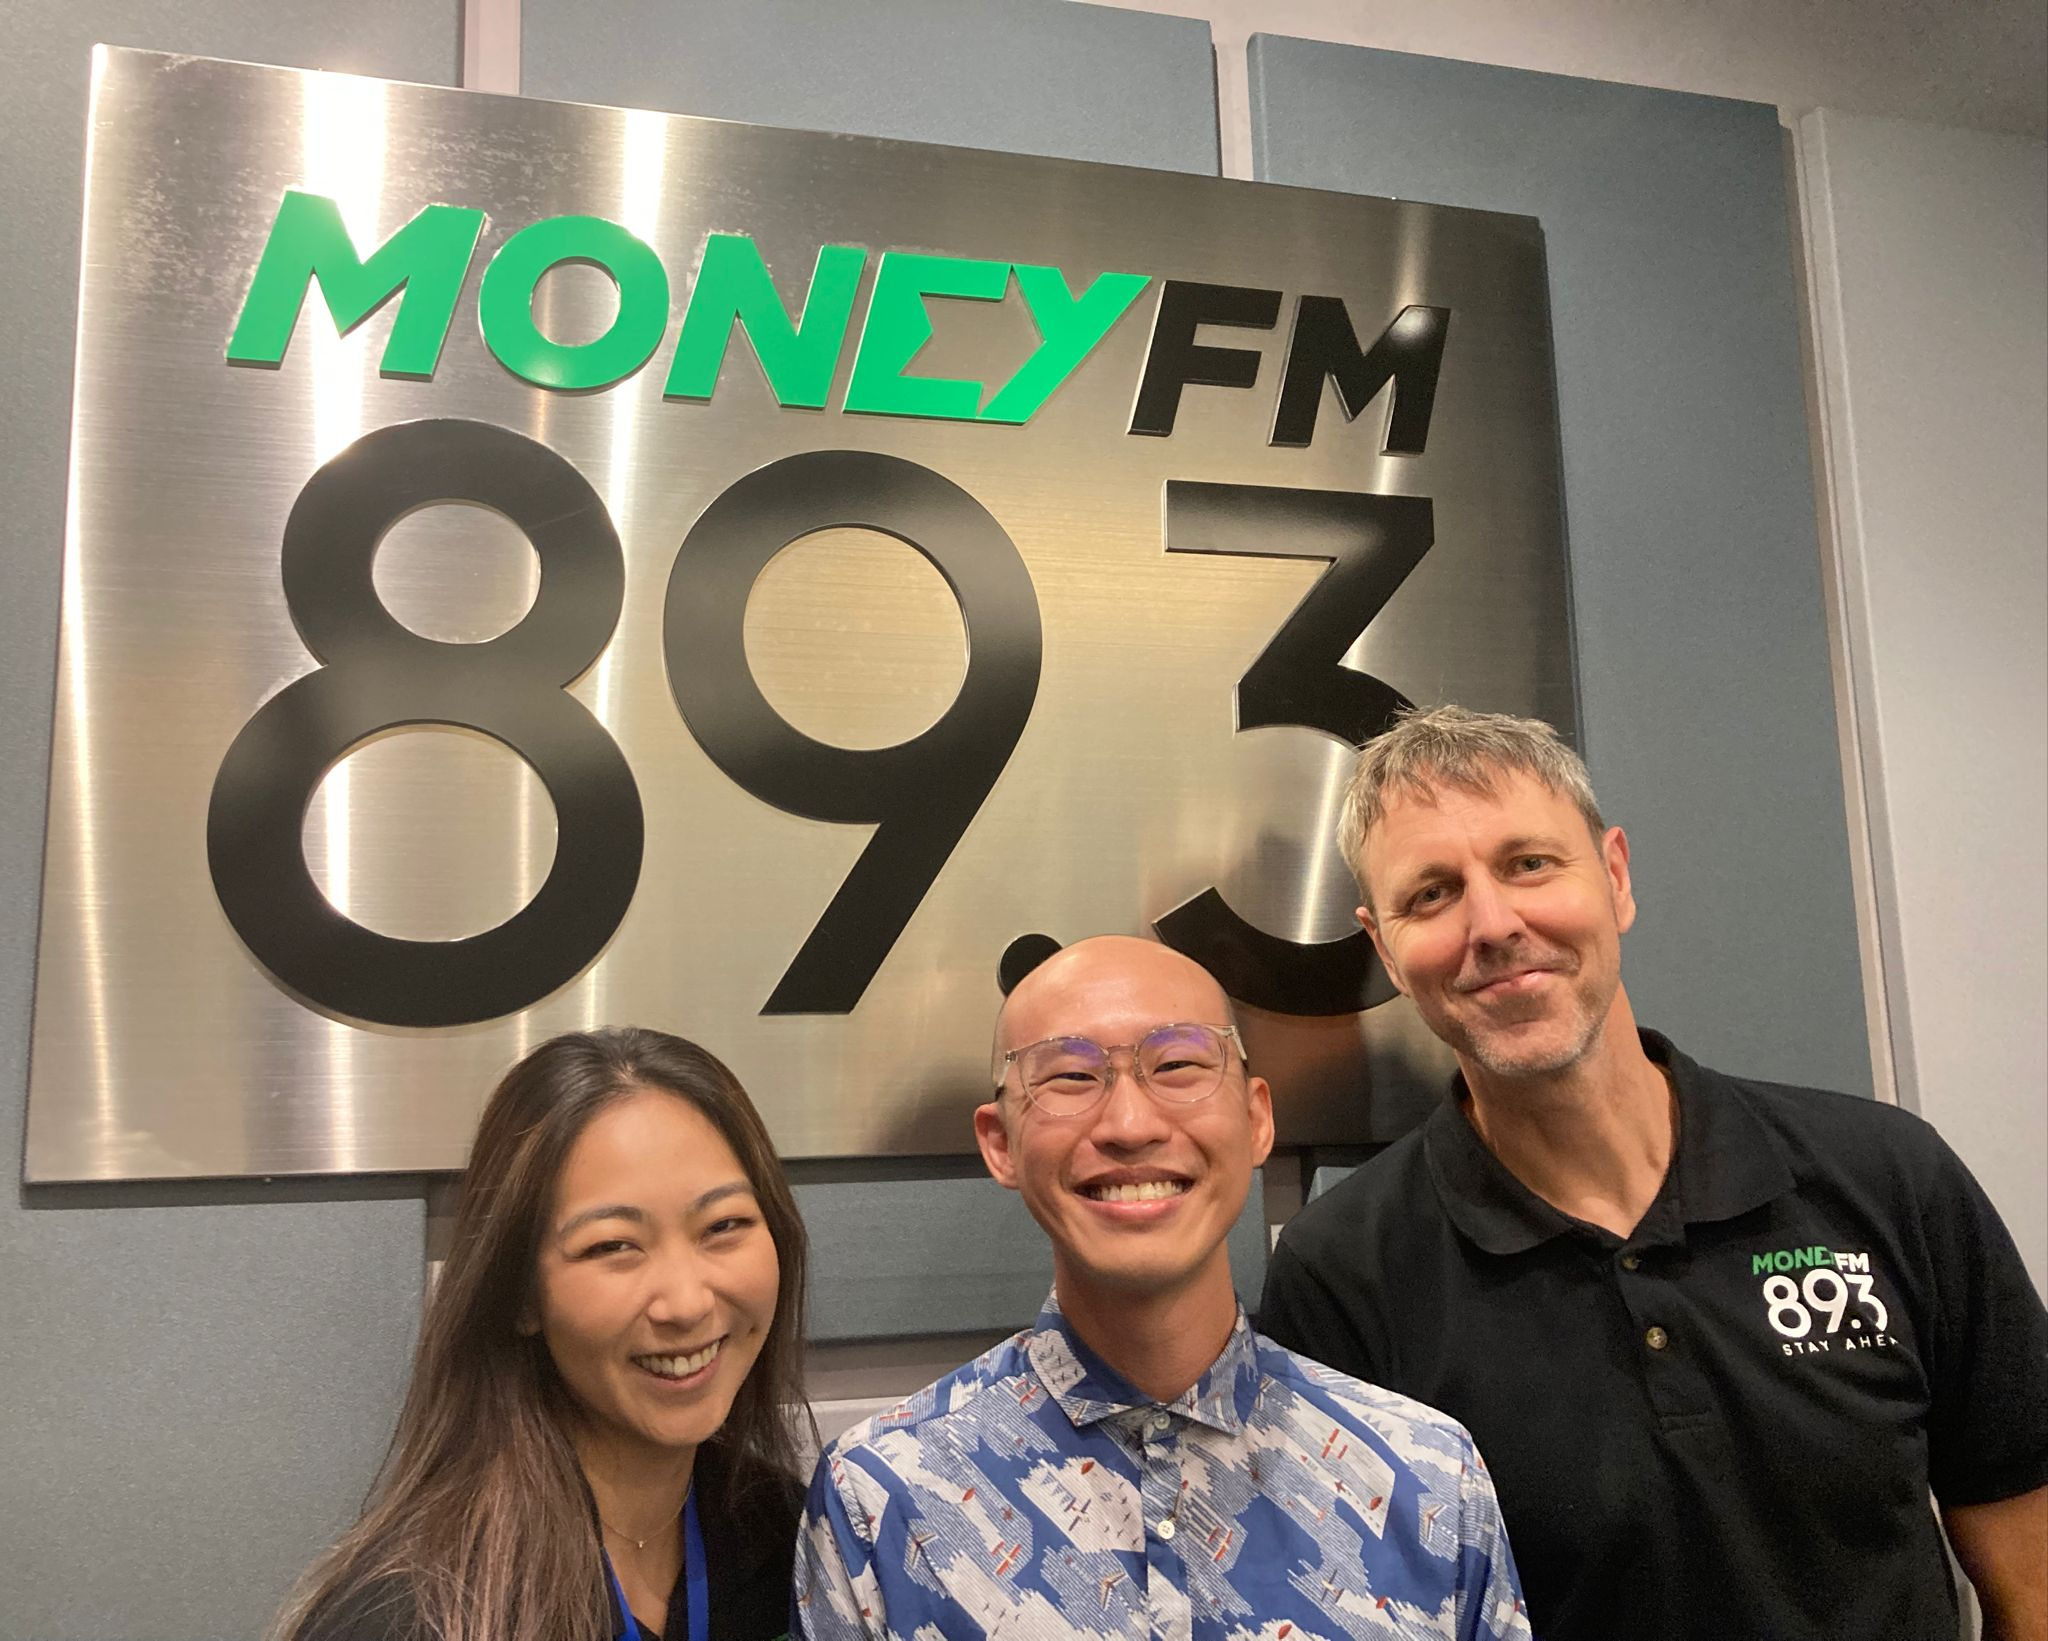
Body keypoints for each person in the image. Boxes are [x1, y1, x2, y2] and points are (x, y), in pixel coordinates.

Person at [1259, 704, 2048, 1640]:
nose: (1493, 922)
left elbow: (2032, 1578)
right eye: (1431, 894)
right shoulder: (1342, 1273)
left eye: (1529, 863)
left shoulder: (1888, 1176)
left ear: (1616, 876)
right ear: (1385, 948)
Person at [795, 935, 1531, 1640]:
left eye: (1178, 1065)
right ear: (1000, 1142)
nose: (1129, 1123)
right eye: (1070, 1076)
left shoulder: (1428, 1478)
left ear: (1256, 1119)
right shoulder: (882, 1498)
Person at [271, 1028, 811, 1641]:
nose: (687, 1303)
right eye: (612, 1245)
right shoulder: (415, 1616)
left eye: (724, 1225)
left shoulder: (793, 1536)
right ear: (521, 1294)